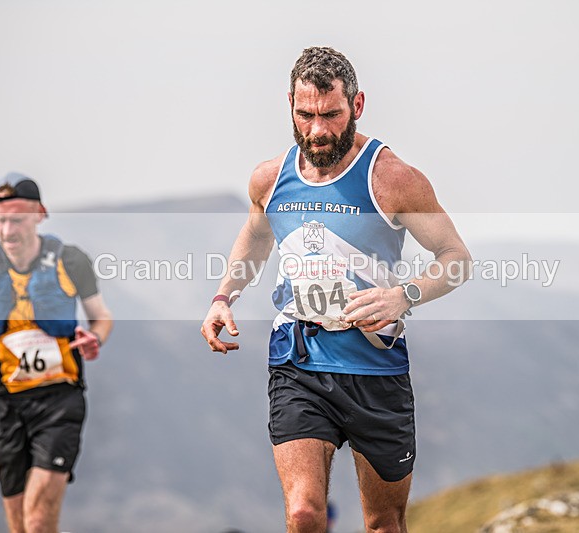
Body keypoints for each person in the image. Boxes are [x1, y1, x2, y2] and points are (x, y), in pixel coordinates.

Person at [201, 47, 471, 532]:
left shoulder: (393, 179)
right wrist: (224, 296)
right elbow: (257, 236)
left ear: (357, 105)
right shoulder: (270, 178)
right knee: (305, 514)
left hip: (375, 368)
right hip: (298, 361)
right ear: (290, 105)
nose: (317, 130)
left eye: (331, 115)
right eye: (305, 115)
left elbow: (456, 259)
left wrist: (403, 295)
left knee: (383, 523)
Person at [0, 173, 113, 533]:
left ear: (39, 215)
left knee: (37, 520)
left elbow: (102, 318)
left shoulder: (70, 261)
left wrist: (94, 339)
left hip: (59, 399)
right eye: (0, 220)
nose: (8, 231)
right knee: (19, 524)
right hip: (5, 401)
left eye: (17, 220)